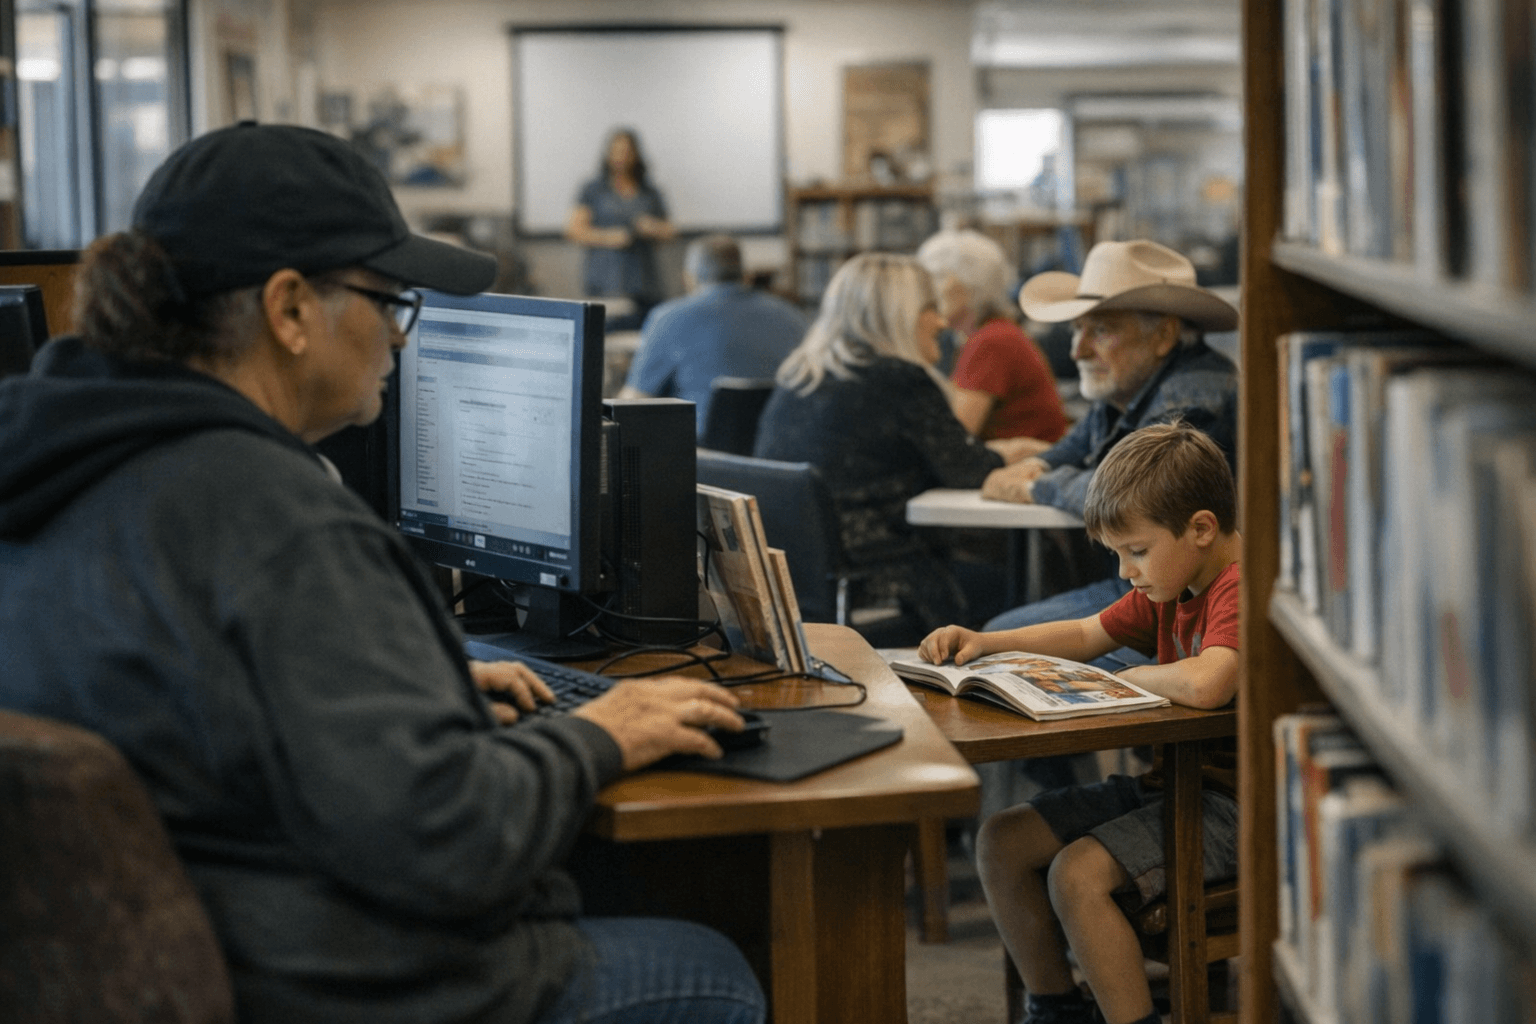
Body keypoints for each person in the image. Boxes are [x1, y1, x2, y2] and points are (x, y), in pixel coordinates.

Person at [0, 123, 764, 1024]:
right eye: (392, 302)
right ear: (289, 311)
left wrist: (407, 683)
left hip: (166, 967)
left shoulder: (60, 462)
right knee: (713, 967)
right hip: (339, 983)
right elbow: (448, 840)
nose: (401, 340)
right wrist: (604, 731)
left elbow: (184, 696)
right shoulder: (274, 515)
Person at [918, 422, 1241, 1024]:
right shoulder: (1173, 583)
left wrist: (1120, 682)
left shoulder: (1236, 586)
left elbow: (1208, 682)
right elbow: (1088, 633)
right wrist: (987, 642)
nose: (1125, 571)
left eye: (1136, 551)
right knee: (1002, 841)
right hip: (1173, 785)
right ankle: (1057, 1008)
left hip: (1236, 807)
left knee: (1076, 875)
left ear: (1201, 528)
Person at [753, 252, 1032, 634]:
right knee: (1019, 589)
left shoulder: (798, 377)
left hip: (804, 588)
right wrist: (1012, 453)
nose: (941, 320)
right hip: (885, 585)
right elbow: (968, 470)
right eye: (930, 308)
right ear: (897, 316)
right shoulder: (900, 379)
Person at [980, 239, 1239, 642]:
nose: (1078, 350)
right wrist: (1043, 464)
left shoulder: (1192, 398)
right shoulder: (1127, 385)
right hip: (1146, 587)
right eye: (1077, 329)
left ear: (1164, 335)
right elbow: (1074, 445)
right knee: (1002, 634)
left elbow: (1130, 495)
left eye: (1100, 330)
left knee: (999, 639)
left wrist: (1034, 485)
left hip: (1179, 604)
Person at [619, 233, 807, 436]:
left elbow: (632, 402)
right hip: (776, 452)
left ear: (688, 279)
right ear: (746, 276)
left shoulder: (668, 318)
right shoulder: (792, 317)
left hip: (701, 457)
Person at [915, 228, 1068, 452]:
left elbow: (953, 438)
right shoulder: (989, 334)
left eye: (939, 278)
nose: (929, 294)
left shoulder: (991, 341)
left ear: (971, 284)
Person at [565, 128, 676, 330]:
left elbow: (670, 231)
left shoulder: (650, 192)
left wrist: (652, 227)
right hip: (606, 282)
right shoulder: (593, 189)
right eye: (617, 151)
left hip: (644, 283)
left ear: (636, 155)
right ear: (608, 154)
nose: (622, 157)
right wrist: (609, 237)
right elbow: (574, 230)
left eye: (627, 151)